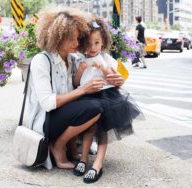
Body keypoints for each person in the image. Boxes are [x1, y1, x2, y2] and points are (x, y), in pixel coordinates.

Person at [26, 7, 106, 170]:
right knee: (94, 107)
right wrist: (83, 90)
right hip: (45, 121)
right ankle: (58, 145)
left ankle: (67, 145)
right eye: (71, 39)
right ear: (57, 36)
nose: (77, 44)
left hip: (62, 115)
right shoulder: (41, 61)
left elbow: (95, 64)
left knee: (99, 104)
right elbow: (47, 103)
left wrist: (115, 79)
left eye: (78, 38)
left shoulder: (72, 59)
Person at [72, 18, 142, 183]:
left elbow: (114, 80)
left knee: (103, 131)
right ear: (83, 44)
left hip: (106, 97)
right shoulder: (79, 60)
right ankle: (83, 159)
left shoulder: (107, 59)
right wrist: (80, 71)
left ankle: (98, 163)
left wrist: (102, 68)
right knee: (89, 129)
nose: (92, 47)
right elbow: (76, 83)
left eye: (97, 43)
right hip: (87, 97)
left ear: (103, 43)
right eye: (88, 43)